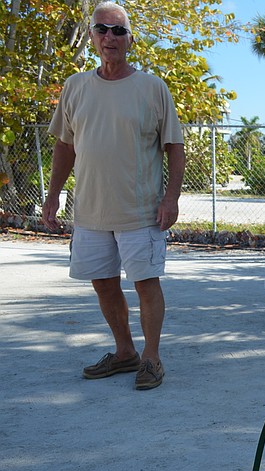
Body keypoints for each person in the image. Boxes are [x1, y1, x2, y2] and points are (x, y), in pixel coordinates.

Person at [42, 1, 185, 391]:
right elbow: (64, 146)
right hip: (90, 212)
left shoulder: (152, 88)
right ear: (92, 36)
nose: (110, 37)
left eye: (118, 31)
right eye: (102, 29)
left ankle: (151, 358)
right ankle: (125, 352)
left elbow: (174, 146)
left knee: (145, 284)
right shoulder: (75, 86)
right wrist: (53, 196)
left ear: (130, 40)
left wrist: (170, 198)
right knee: (103, 284)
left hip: (141, 212)